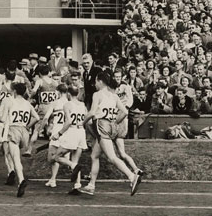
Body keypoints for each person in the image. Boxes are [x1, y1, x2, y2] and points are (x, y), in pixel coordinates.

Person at [81, 69, 142, 197]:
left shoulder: (97, 94)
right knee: (94, 156)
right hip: (111, 126)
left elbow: (92, 113)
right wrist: (115, 122)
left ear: (100, 81)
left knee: (112, 157)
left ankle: (132, 176)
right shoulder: (113, 96)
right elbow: (125, 112)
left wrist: (82, 122)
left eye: (96, 81)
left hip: (102, 125)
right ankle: (91, 185)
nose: (95, 84)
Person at [0, 82, 39, 197]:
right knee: (12, 154)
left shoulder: (10, 101)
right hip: (24, 132)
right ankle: (14, 174)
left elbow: (2, 118)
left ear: (15, 92)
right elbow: (36, 117)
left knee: (15, 157)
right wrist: (27, 126)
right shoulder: (27, 104)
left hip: (13, 129)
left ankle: (21, 180)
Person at [51, 85, 86, 193]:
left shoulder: (67, 104)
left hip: (72, 131)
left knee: (56, 157)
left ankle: (72, 165)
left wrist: (59, 133)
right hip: (81, 131)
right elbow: (87, 119)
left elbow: (69, 121)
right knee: (76, 159)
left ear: (69, 94)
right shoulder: (82, 104)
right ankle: (77, 185)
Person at [40, 83, 68, 188]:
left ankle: (73, 165)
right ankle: (53, 179)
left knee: (51, 158)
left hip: (57, 132)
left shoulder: (55, 103)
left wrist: (43, 128)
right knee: (60, 156)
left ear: (58, 92)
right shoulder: (70, 103)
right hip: (66, 132)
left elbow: (46, 117)